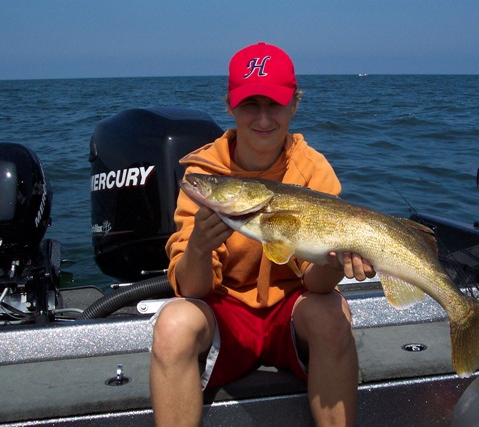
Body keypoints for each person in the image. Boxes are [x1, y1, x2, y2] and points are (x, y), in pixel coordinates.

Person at [149, 42, 375, 427]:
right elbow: (192, 290)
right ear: (230, 106)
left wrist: (337, 263)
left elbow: (316, 284)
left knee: (333, 316)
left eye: (275, 104)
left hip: (292, 312)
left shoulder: (312, 169)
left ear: (295, 104)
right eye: (250, 104)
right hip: (225, 315)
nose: (264, 118)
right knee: (172, 324)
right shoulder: (204, 175)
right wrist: (199, 247)